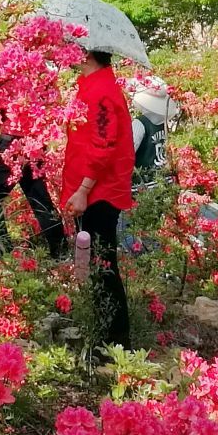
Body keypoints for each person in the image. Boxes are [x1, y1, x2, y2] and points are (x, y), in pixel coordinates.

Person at [61, 49, 136, 348]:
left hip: (99, 193)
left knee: (104, 266)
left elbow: (103, 146)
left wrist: (83, 190)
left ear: (87, 55)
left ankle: (115, 342)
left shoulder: (103, 91)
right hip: (91, 190)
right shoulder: (91, 86)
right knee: (94, 263)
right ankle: (103, 333)